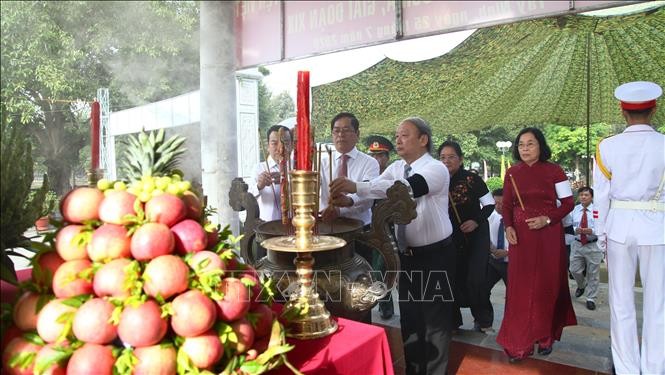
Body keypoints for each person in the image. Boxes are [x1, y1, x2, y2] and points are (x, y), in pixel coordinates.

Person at [330, 117, 456, 374]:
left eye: (405, 135)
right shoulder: (397, 167)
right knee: (410, 317)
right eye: (397, 135)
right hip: (405, 255)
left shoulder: (436, 168)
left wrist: (356, 186)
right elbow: (377, 188)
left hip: (436, 255)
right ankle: (413, 369)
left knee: (435, 321)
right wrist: (349, 199)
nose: (398, 140)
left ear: (423, 140)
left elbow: (406, 190)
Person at [593, 81, 664, 375]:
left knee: (621, 302)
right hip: (658, 227)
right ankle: (655, 368)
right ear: (655, 109)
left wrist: (600, 232)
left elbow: (601, 194)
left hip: (619, 226)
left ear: (623, 112)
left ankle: (626, 369)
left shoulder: (607, 146)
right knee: (657, 304)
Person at [497, 127, 576, 362]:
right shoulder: (512, 173)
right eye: (521, 144)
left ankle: (545, 336)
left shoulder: (555, 171)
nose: (525, 148)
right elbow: (508, 205)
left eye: (530, 144)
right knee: (520, 288)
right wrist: (509, 226)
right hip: (520, 238)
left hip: (548, 235)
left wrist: (547, 219)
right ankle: (519, 341)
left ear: (541, 146)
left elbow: (568, 202)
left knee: (546, 284)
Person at [438, 141, 495, 333]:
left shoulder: (472, 179)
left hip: (475, 236)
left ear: (460, 159)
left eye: (451, 157)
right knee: (450, 278)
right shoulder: (436, 180)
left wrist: (475, 221)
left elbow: (489, 205)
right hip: (449, 238)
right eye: (443, 157)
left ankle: (483, 320)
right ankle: (453, 322)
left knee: (476, 280)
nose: (447, 161)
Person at [319, 112, 379, 227]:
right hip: (327, 226)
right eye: (336, 131)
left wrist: (344, 205)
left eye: (346, 130)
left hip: (359, 228)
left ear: (357, 134)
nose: (340, 135)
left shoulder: (370, 163)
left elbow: (368, 195)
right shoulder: (322, 163)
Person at [365, 134, 396, 320]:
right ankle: (385, 304)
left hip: (391, 229)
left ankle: (386, 304)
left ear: (387, 158)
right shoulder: (367, 175)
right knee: (377, 269)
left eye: (381, 156)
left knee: (386, 268)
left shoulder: (395, 175)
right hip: (372, 229)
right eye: (374, 156)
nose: (377, 160)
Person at [569, 186, 602, 311]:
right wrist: (575, 230)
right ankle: (582, 285)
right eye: (581, 195)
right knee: (574, 269)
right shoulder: (575, 210)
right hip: (577, 243)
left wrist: (592, 230)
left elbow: (602, 226)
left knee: (593, 273)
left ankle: (591, 298)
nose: (583, 197)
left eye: (586, 195)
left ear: (591, 197)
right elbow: (569, 224)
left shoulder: (597, 210)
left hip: (593, 244)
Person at [251, 125, 292, 221]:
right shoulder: (259, 168)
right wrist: (259, 186)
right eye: (274, 143)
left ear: (291, 145)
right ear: (268, 146)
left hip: (294, 227)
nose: (280, 148)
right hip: (267, 227)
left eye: (285, 143)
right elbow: (247, 198)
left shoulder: (296, 168)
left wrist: (287, 180)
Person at [483, 188, 508, 329]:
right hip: (493, 262)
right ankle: (484, 322)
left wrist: (508, 252)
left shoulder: (518, 219)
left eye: (502, 203)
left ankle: (510, 325)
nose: (498, 206)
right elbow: (484, 237)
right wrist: (492, 249)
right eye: (496, 203)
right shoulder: (490, 216)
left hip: (512, 263)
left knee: (514, 296)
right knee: (482, 289)